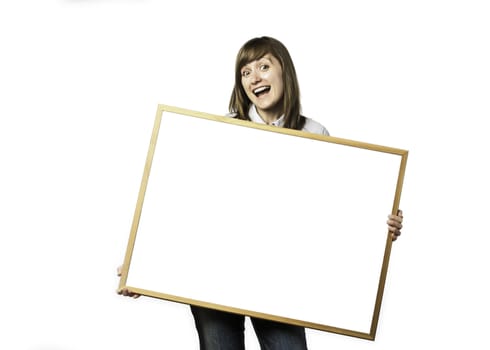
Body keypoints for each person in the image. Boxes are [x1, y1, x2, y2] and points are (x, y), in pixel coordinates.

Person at [118, 36, 404, 350]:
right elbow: (181, 205)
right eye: (245, 72)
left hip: (279, 279)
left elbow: (332, 215)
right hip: (213, 273)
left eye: (263, 66)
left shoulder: (315, 133)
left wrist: (381, 228)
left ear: (285, 72)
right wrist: (140, 266)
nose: (254, 77)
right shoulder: (216, 132)